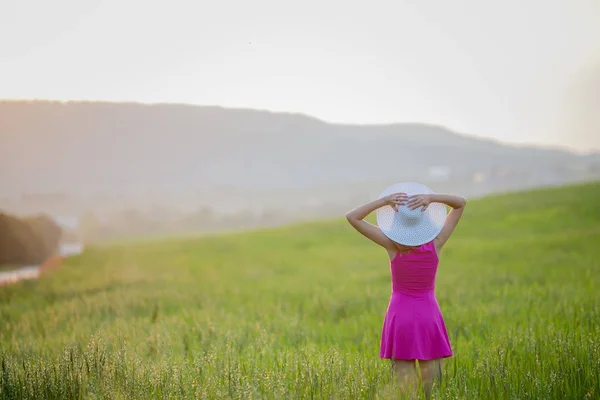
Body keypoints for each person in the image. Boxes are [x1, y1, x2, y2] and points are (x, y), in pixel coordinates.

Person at [345, 182, 467, 398]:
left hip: (399, 315)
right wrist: (432, 199)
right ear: (426, 221)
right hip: (428, 314)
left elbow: (352, 217)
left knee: (404, 390)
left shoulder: (392, 245)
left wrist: (383, 202)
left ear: (398, 223)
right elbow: (460, 204)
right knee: (433, 391)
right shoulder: (437, 242)